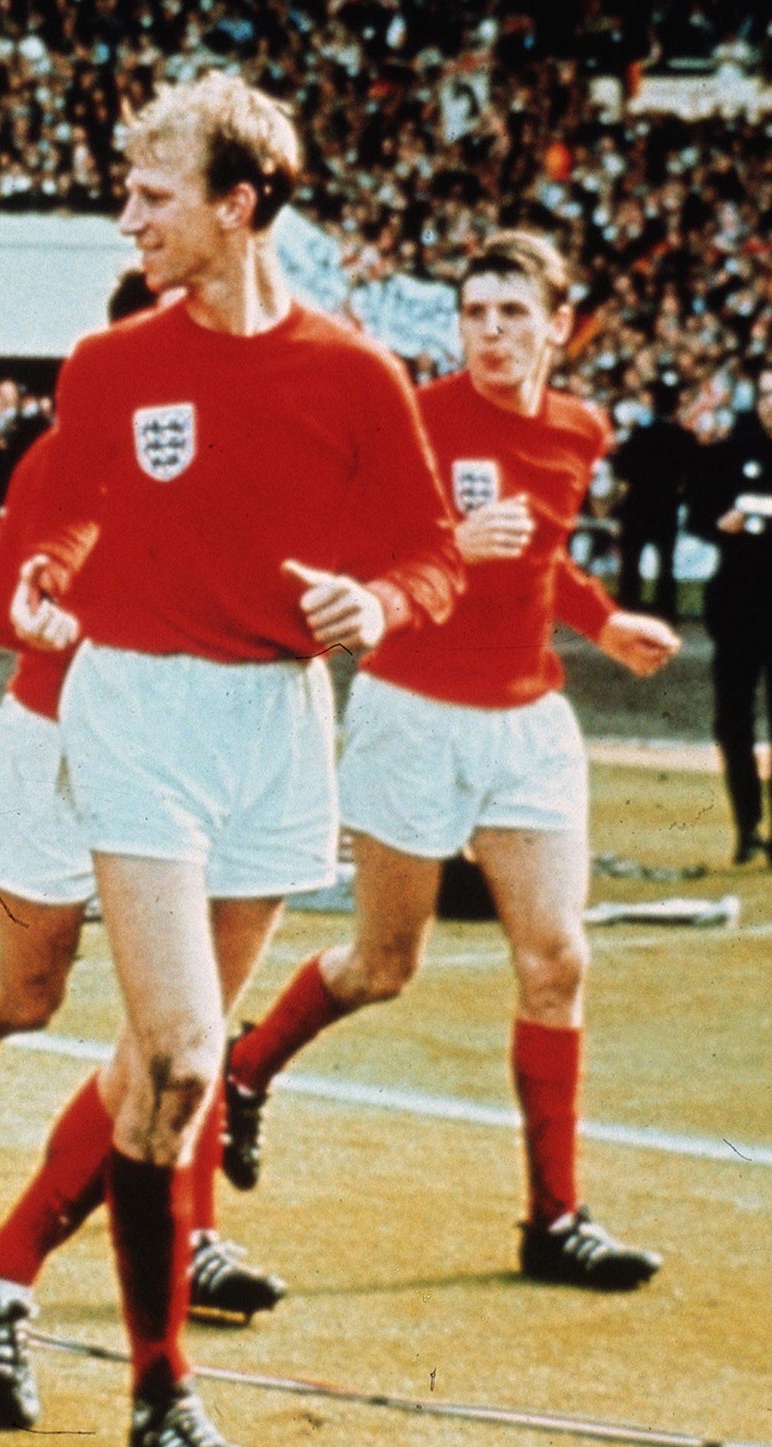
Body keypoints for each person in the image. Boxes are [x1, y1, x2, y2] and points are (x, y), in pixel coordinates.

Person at [0, 74, 463, 1447]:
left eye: (153, 196)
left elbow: (429, 550)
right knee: (178, 1051)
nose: (130, 219)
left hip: (276, 722)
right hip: (135, 716)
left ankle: (1, 1271)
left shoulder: (354, 376)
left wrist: (382, 605)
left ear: (240, 208)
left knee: (179, 1061)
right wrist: (40, 591)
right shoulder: (109, 369)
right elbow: (48, 533)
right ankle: (161, 1391)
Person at [214, 232, 681, 1292]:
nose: (491, 334)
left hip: (525, 723)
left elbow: (545, 549)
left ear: (557, 327)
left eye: (513, 315)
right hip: (412, 711)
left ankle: (552, 1219)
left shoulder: (578, 429)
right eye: (474, 313)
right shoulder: (418, 417)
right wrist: (441, 546)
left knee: (556, 958)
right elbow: (350, 544)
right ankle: (246, 1068)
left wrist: (601, 624)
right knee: (382, 965)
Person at [0, 279, 289, 1320]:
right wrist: (59, 618)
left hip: (170, 759)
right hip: (48, 753)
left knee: (181, 1019)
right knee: (27, 992)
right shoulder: (69, 451)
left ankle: (188, 1237)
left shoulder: (242, 452)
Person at [686, 367, 772, 864]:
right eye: (763, 394)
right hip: (739, 609)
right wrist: (722, 524)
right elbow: (699, 510)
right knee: (733, 722)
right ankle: (747, 827)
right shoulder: (732, 451)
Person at [608, 374, 692, 620]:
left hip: (638, 501)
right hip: (666, 502)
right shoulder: (682, 437)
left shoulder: (639, 435)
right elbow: (692, 471)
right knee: (666, 560)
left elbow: (621, 468)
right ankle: (666, 609)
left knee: (631, 556)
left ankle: (628, 603)